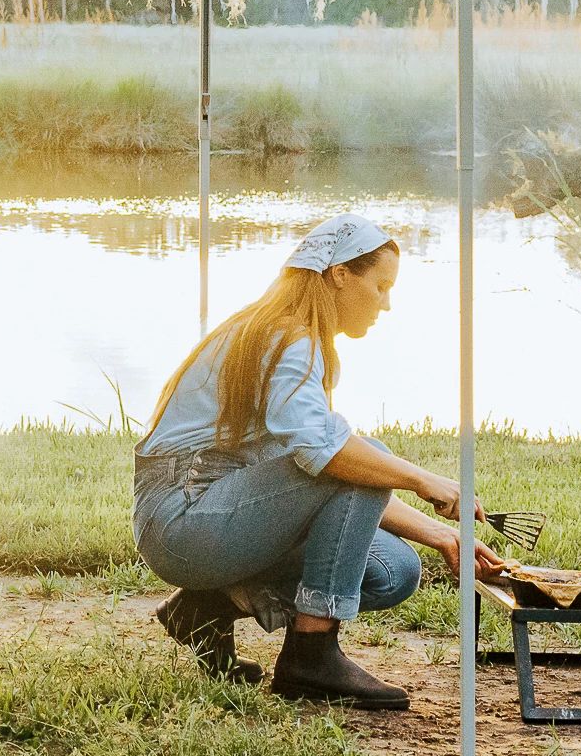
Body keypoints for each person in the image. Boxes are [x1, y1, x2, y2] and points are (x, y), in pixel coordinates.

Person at [131, 214, 508, 708]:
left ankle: (205, 608)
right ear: (339, 275)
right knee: (369, 458)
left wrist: (442, 534)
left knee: (393, 569)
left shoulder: (290, 335)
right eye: (381, 286)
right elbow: (329, 459)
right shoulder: (287, 337)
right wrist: (423, 480)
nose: (386, 303)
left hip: (216, 514)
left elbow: (327, 472)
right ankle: (311, 653)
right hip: (182, 517)